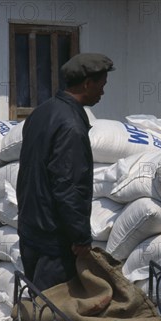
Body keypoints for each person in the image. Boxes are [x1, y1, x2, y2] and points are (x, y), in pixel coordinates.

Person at [16, 53, 114, 291]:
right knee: (55, 310)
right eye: (101, 85)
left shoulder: (42, 112)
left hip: (31, 225)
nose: (102, 92)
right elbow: (68, 186)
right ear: (87, 84)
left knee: (39, 305)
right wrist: (80, 237)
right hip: (54, 236)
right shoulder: (71, 126)